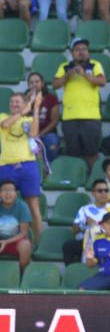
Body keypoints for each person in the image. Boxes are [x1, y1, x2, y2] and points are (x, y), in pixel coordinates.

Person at [52, 38, 105, 171]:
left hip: (91, 117)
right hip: (70, 117)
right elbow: (55, 84)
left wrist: (85, 75)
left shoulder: (95, 65)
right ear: (72, 52)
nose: (81, 52)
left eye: (84, 49)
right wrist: (67, 77)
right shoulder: (64, 66)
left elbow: (102, 81)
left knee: (91, 153)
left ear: (88, 52)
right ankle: (74, 178)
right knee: (72, 153)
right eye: (77, 50)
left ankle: (92, 179)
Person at [0, 93, 42, 240]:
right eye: (12, 102)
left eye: (17, 102)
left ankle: (39, 242)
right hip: (5, 165)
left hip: (27, 165)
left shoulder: (29, 119)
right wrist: (21, 112)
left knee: (33, 205)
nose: (14, 104)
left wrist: (35, 109)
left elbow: (34, 133)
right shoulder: (3, 116)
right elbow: (5, 125)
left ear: (25, 104)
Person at [64, 179, 110, 264]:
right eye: (100, 191)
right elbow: (73, 231)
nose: (103, 193)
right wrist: (84, 225)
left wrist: (101, 227)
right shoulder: (85, 209)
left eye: (106, 190)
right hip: (87, 240)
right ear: (93, 193)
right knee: (68, 246)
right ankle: (72, 273)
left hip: (109, 241)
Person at [24, 73, 59, 162]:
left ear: (42, 83)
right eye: (31, 82)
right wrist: (28, 101)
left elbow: (54, 121)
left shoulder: (51, 98)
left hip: (47, 132)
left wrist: (41, 134)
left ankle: (48, 169)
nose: (34, 84)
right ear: (28, 85)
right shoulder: (24, 99)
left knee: (53, 144)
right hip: (29, 134)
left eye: (37, 82)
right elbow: (21, 118)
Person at [0, 180, 32, 272]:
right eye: (4, 190)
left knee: (25, 245)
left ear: (15, 193)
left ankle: (22, 276)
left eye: (10, 190)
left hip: (15, 240)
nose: (8, 193)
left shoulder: (22, 206)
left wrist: (6, 241)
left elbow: (24, 232)